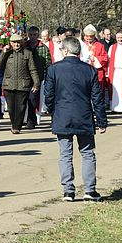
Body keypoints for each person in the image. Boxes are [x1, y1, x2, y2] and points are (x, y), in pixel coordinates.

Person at [44, 36, 108, 202]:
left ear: (65, 50)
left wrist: (52, 111)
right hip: (83, 115)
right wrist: (101, 121)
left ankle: (68, 191)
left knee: (65, 154)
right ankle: (89, 190)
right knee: (87, 153)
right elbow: (97, 98)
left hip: (62, 115)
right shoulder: (90, 70)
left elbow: (48, 96)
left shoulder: (54, 69)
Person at [0, 33, 40, 134]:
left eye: (19, 42)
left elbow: (32, 69)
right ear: (10, 43)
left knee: (21, 107)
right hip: (9, 85)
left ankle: (17, 127)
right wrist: (4, 53)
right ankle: (14, 124)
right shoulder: (7, 53)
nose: (17, 44)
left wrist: (36, 83)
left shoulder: (27, 53)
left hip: (23, 84)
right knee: (11, 107)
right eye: (14, 42)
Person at [82, 25, 109, 110]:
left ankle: (97, 108)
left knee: (97, 90)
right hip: (84, 71)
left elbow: (105, 58)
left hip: (96, 71)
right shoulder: (82, 45)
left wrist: (95, 58)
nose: (89, 39)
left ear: (94, 37)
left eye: (91, 37)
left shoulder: (100, 45)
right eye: (87, 37)